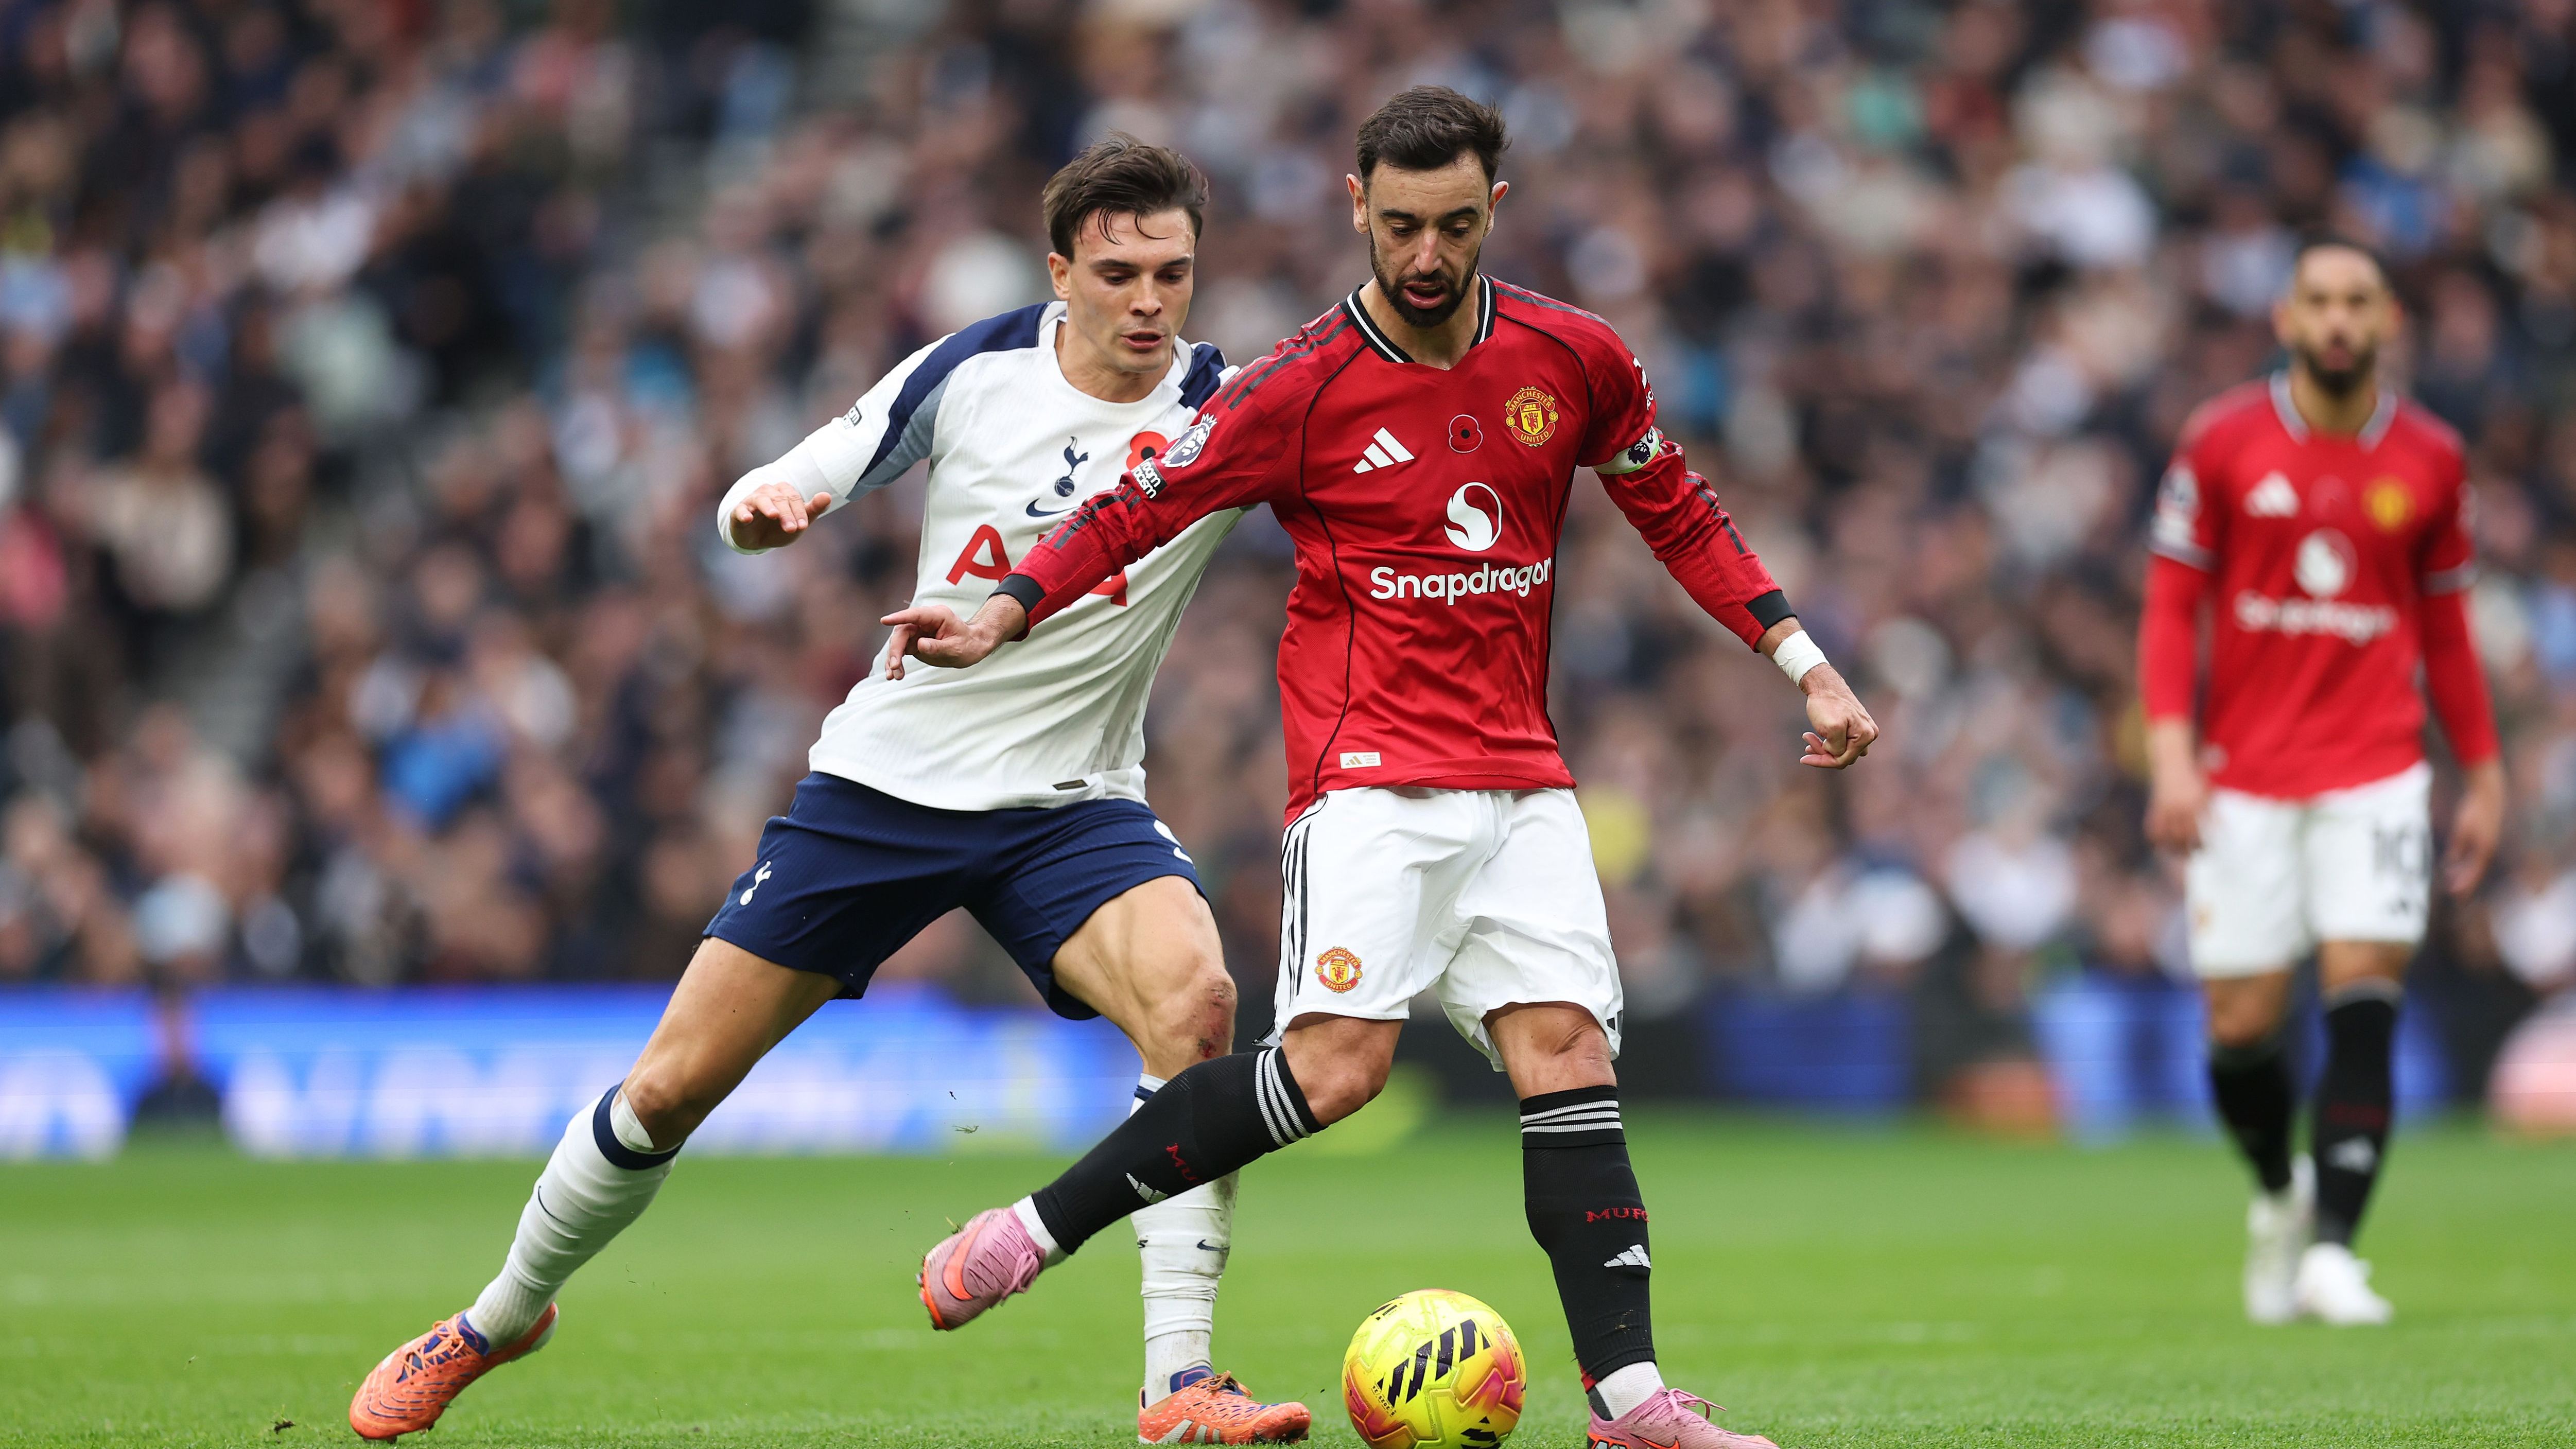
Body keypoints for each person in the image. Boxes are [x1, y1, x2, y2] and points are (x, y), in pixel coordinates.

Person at [888, 89, 1878, 1449]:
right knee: (1335, 1071)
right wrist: (1004, 609)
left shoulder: (1573, 357)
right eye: (1400, 224)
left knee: (1566, 1055)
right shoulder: (1296, 388)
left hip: (1523, 779)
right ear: (1356, 206)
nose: (1424, 255)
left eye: (1454, 226)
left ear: (1495, 213)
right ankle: (1031, 1228)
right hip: (1368, 781)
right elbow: (1141, 503)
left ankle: (1631, 1404)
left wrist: (1800, 658)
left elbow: (1676, 508)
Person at [347, 138, 1313, 1445]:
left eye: (1174, 274)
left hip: (1073, 805)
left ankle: (1180, 1385)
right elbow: (814, 464)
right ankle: (498, 1316)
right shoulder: (976, 369)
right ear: (1061, 273)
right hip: (885, 788)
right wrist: (768, 507)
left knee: (1198, 1008)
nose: (1151, 302)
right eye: (1120, 272)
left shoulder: (1227, 404)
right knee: (669, 1092)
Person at [2136, 237, 2504, 1326]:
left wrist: (2481, 775)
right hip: (2242, 775)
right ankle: (2277, 1188)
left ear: (2389, 320)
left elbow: (2447, 630)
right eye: (2321, 302)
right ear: (2286, 321)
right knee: (2241, 1023)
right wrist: (2169, 755)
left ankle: (2337, 1249)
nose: (2339, 321)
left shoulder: (2433, 458)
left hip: (2379, 768)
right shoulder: (2222, 442)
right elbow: (2170, 608)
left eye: (2359, 302)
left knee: (2364, 991)